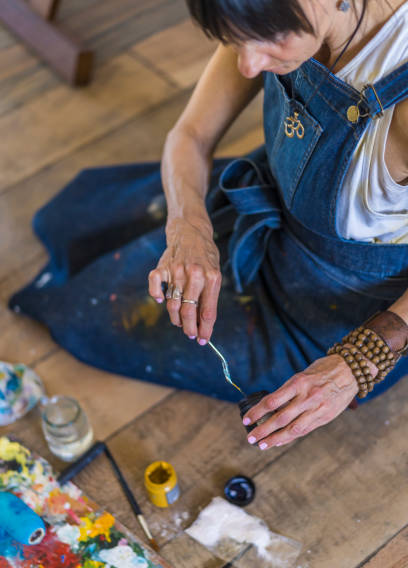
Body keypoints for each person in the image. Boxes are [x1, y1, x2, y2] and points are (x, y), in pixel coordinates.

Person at [10, 0, 408, 452]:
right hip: (267, 205)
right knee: (70, 220)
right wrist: (188, 229)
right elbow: (190, 136)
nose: (249, 65)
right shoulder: (267, 16)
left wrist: (358, 359)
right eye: (239, 41)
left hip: (327, 308)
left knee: (90, 318)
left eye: (269, 41)